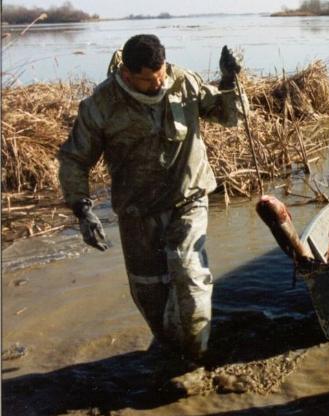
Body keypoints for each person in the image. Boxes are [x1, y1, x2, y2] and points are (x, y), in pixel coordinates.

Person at [58, 34, 247, 364]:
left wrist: (230, 81)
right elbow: (74, 159)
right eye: (149, 80)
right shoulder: (102, 104)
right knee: (149, 290)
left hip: (187, 196)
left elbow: (228, 116)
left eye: (161, 76)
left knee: (189, 274)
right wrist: (82, 208)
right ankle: (172, 350)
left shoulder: (183, 81)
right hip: (137, 209)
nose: (158, 84)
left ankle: (196, 357)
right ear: (128, 74)